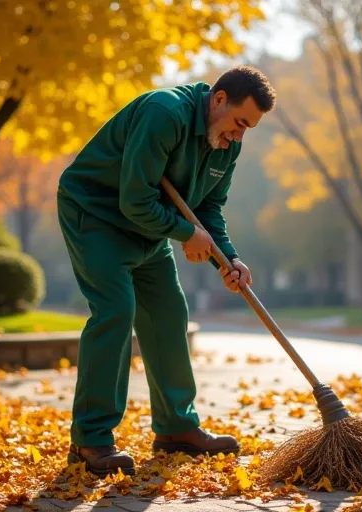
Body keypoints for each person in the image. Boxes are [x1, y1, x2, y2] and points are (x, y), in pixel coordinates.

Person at [57, 65, 277, 478]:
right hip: (98, 214)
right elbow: (135, 199)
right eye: (239, 122)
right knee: (116, 311)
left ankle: (176, 428)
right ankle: (91, 438)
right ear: (218, 99)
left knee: (169, 314)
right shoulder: (164, 113)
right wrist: (185, 234)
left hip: (150, 224)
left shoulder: (226, 144)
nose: (239, 135)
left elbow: (208, 208)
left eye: (249, 128)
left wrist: (227, 258)